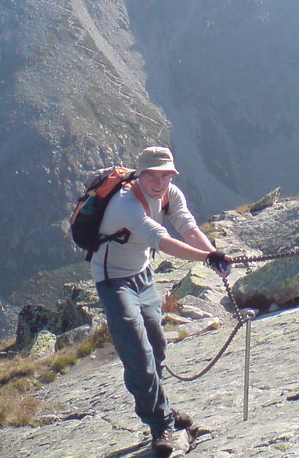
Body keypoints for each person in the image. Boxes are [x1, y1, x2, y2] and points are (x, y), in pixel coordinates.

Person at [92, 146, 232, 458]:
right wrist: (209, 258)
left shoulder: (170, 193)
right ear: (139, 175)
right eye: (152, 175)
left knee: (156, 345)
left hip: (142, 274)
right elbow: (164, 241)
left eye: (166, 174)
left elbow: (187, 227)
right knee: (137, 352)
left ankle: (162, 408)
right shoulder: (125, 203)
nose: (159, 182)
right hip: (113, 280)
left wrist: (213, 253)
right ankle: (159, 425)